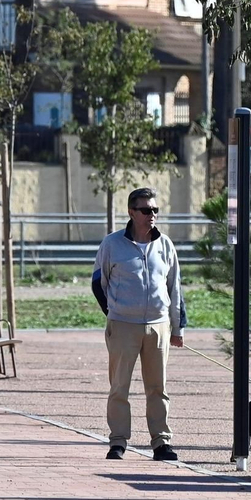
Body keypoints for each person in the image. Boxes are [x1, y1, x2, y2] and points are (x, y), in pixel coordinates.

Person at [91, 187, 185, 461]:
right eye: (146, 210)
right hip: (122, 325)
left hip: (158, 326)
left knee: (158, 387)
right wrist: (115, 311)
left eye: (155, 210)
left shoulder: (165, 245)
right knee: (120, 386)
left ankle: (161, 443)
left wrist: (177, 328)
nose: (151, 215)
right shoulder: (112, 244)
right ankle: (118, 442)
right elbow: (99, 283)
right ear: (132, 212)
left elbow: (174, 287)